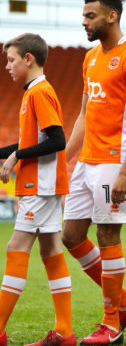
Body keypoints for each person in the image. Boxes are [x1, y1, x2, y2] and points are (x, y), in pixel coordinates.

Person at [61, 0, 126, 345]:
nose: (84, 22)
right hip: (87, 161)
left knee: (107, 235)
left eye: (90, 16)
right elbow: (84, 114)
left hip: (114, 161)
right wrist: (64, 158)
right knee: (71, 236)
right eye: (84, 16)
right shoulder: (90, 58)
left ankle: (111, 322)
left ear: (111, 16)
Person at [0, 33, 75, 346]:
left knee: (16, 247)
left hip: (39, 185)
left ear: (28, 59)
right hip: (44, 185)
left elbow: (57, 140)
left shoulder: (39, 92)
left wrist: (16, 157)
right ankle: (64, 332)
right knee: (50, 250)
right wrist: (6, 152)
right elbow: (36, 141)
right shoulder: (34, 92)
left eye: (12, 60)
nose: (8, 66)